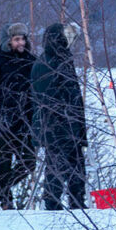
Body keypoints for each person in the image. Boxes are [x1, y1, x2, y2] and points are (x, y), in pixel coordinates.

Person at [0, 23, 37, 210]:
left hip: (25, 120)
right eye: (16, 39)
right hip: (1, 120)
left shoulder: (31, 61)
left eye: (23, 38)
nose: (21, 42)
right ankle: (6, 203)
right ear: (7, 41)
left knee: (28, 163)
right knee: (3, 164)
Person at [32, 22, 88, 209]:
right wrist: (66, 114)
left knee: (74, 165)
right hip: (57, 124)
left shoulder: (61, 58)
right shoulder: (49, 61)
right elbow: (47, 97)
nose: (70, 42)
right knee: (58, 165)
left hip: (67, 123)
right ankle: (53, 204)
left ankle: (77, 202)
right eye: (67, 38)